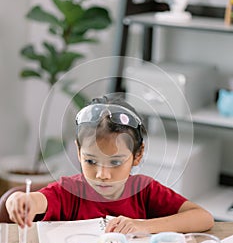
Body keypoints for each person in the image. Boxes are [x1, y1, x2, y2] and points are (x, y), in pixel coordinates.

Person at [6, 94, 214, 234]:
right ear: (78, 152)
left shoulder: (144, 191)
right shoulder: (70, 191)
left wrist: (143, 226)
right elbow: (37, 200)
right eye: (90, 161)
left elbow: (203, 218)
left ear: (137, 155)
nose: (102, 174)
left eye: (115, 162)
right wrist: (19, 199)